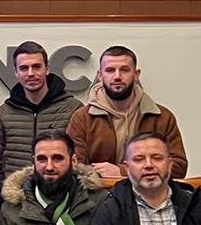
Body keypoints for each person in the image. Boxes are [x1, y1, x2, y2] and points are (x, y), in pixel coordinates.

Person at [65, 45, 188, 179]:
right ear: (100, 75)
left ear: (136, 74)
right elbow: (73, 166)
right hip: (100, 191)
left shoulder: (162, 117)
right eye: (110, 70)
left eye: (125, 70)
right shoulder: (82, 118)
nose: (117, 76)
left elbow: (179, 167)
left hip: (148, 190)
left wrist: (123, 171)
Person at [0, 41, 80, 177]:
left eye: (36, 67)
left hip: (60, 188)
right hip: (15, 189)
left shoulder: (73, 109)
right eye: (24, 68)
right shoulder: (4, 113)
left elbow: (80, 159)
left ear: (47, 68)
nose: (30, 73)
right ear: (16, 72)